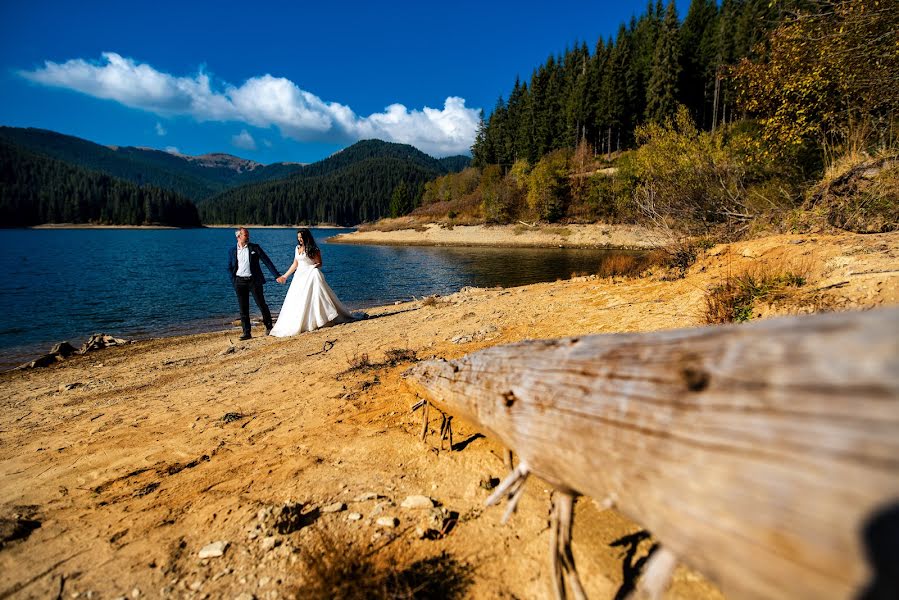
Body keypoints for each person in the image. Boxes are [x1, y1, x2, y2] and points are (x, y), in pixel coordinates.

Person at [270, 228, 357, 337]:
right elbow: (295, 264)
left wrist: (312, 268)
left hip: (310, 275)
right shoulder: (297, 248)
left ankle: (319, 320)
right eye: (298, 238)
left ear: (306, 238)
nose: (299, 240)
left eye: (301, 238)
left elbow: (319, 263)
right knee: (297, 300)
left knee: (313, 297)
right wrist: (285, 276)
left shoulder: (314, 249)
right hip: (299, 278)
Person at [228, 227, 282, 340]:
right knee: (243, 308)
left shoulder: (254, 248)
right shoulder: (232, 250)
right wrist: (234, 281)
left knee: (261, 304)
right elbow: (230, 267)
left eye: (248, 235)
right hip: (239, 282)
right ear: (238, 236)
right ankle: (246, 333)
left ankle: (269, 327)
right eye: (245, 235)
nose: (248, 237)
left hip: (254, 281)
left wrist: (276, 275)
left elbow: (267, 261)